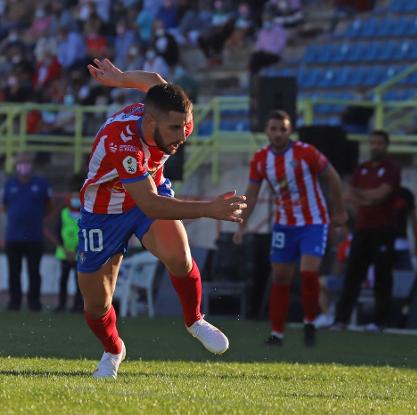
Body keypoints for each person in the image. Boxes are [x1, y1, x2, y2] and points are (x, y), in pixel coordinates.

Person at [81, 58, 247, 378]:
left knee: (179, 255)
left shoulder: (177, 118)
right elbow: (152, 205)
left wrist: (121, 79)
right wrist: (208, 209)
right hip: (104, 212)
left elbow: (155, 80)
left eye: (184, 126)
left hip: (149, 192)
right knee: (96, 305)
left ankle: (194, 320)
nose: (182, 136)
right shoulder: (123, 141)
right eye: (173, 129)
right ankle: (114, 349)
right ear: (150, 121)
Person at [233, 110, 347, 347]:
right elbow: (251, 195)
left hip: (313, 221)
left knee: (307, 272)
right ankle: (277, 333)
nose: (277, 133)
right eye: (273, 129)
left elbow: (333, 177)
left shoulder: (306, 152)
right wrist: (241, 225)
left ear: (290, 131)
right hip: (284, 224)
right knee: (281, 277)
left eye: (282, 129)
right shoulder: (261, 159)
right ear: (267, 131)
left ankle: (310, 323)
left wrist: (339, 210)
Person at [332, 130, 401, 332]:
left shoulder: (391, 169)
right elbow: (349, 198)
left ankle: (379, 322)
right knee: (352, 274)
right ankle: (341, 320)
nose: (375, 146)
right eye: (372, 143)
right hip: (362, 228)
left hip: (384, 229)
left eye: (379, 143)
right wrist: (366, 197)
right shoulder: (361, 169)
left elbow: (379, 196)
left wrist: (361, 195)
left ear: (386, 145)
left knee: (382, 276)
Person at [2, 154, 52, 311]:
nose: (24, 165)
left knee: (34, 271)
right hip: (13, 235)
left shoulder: (41, 184)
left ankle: (34, 302)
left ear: (32, 165)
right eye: (21, 162)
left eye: (27, 162)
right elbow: (5, 206)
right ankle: (14, 301)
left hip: (34, 236)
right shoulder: (9, 184)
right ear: (16, 165)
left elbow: (48, 205)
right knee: (14, 271)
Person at [54, 190, 84, 313]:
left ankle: (78, 306)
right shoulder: (64, 213)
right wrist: (65, 249)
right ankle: (61, 304)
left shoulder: (85, 214)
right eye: (73, 197)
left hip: (79, 253)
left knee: (79, 282)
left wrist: (76, 250)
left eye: (77, 197)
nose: (75, 200)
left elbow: (85, 233)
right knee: (63, 280)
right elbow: (57, 232)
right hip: (64, 253)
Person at [393, 185, 417, 271]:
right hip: (385, 243)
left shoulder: (406, 194)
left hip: (402, 243)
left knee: (406, 275)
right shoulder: (379, 193)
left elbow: (414, 220)